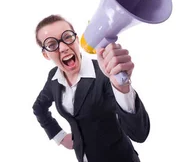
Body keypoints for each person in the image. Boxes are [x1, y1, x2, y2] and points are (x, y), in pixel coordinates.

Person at [32, 14, 150, 162]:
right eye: (51, 44)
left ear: (76, 38)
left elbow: (139, 133)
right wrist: (59, 136)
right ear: (45, 54)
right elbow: (39, 107)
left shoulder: (104, 73)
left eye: (67, 37)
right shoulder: (53, 77)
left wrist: (122, 86)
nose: (63, 48)